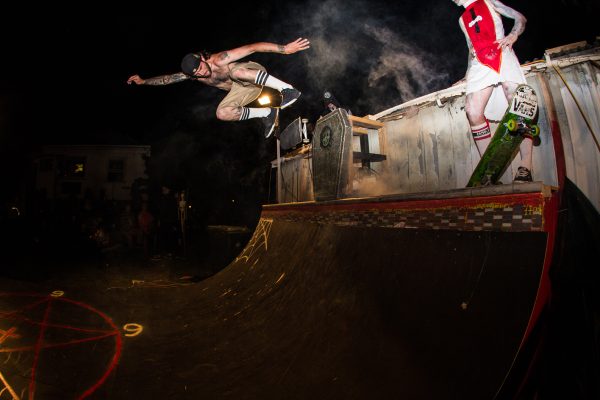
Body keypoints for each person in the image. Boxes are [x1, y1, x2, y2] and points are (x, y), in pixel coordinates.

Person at [127, 38, 310, 138]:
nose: (200, 74)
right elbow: (167, 79)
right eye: (196, 74)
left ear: (202, 59)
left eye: (200, 68)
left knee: (235, 73)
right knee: (222, 113)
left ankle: (288, 90)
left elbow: (253, 47)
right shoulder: (193, 75)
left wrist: (284, 49)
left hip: (250, 73)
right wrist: (144, 82)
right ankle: (267, 114)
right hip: (243, 90)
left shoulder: (219, 59)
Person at [452, 0, 534, 182]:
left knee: (518, 102)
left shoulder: (488, 1)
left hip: (501, 52)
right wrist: (467, 75)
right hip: (480, 64)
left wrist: (513, 35)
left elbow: (520, 18)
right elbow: (470, 47)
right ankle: (488, 170)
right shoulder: (462, 19)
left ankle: (525, 167)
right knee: (473, 112)